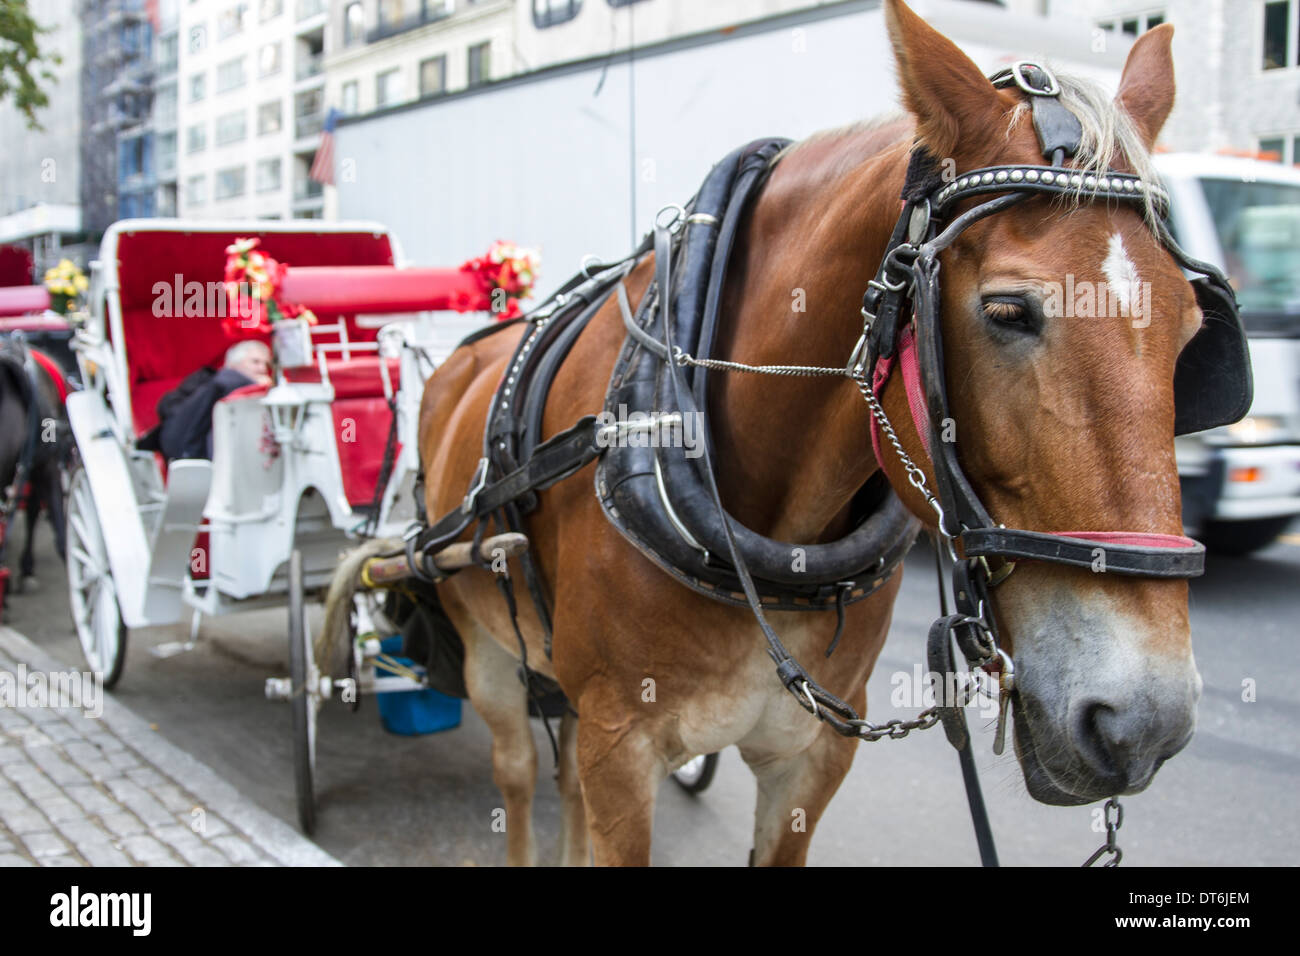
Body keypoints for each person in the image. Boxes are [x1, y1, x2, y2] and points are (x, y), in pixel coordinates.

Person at [159, 340, 272, 461]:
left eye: (266, 364)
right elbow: (170, 407)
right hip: (191, 446)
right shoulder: (211, 380)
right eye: (255, 362)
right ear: (234, 363)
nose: (262, 369)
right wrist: (255, 386)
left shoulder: (265, 392)